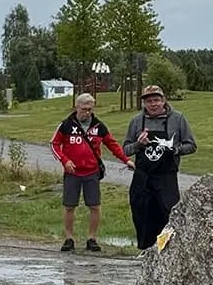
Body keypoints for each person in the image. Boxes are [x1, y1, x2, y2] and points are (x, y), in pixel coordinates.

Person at [50, 93, 134, 253]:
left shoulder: (99, 126)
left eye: (90, 109)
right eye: (84, 109)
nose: (87, 113)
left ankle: (92, 238)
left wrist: (126, 160)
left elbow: (112, 144)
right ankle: (69, 238)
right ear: (77, 107)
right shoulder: (66, 125)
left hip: (91, 172)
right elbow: (54, 144)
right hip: (72, 172)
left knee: (94, 206)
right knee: (69, 206)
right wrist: (64, 160)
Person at [123, 84, 197, 250]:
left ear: (164, 100)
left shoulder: (177, 119)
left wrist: (175, 149)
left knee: (169, 214)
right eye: (149, 101)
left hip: (166, 177)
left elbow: (191, 145)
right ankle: (144, 251)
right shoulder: (136, 121)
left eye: (156, 100)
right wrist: (138, 145)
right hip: (142, 177)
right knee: (142, 215)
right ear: (144, 103)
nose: (153, 104)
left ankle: (170, 252)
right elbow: (126, 149)